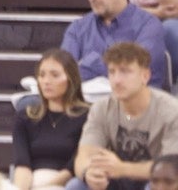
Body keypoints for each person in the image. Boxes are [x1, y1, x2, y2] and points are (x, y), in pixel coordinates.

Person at [69, 42, 178, 190]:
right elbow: (84, 155)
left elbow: (172, 167)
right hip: (114, 180)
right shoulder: (101, 108)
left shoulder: (172, 111)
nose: (117, 80)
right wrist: (89, 172)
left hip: (154, 180)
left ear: (145, 76)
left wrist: (122, 169)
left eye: (125, 71)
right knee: (76, 185)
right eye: (112, 72)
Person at [13, 49, 91, 190]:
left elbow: (74, 166)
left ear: (70, 79)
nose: (46, 81)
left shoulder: (88, 117)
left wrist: (48, 186)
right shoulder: (25, 116)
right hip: (32, 182)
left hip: (68, 184)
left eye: (54, 75)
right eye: (42, 75)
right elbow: (22, 165)